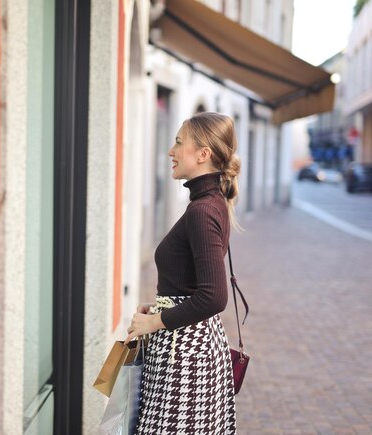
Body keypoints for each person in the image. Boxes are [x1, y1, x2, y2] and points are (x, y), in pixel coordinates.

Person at [124, 112, 240, 434]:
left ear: (203, 154)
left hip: (185, 356)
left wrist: (155, 321)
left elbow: (214, 296)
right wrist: (159, 306)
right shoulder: (208, 203)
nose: (171, 152)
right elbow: (190, 285)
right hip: (189, 346)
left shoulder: (203, 210)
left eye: (178, 143)